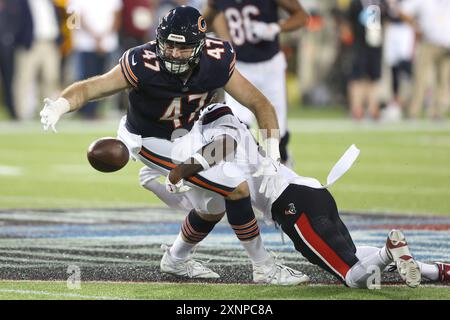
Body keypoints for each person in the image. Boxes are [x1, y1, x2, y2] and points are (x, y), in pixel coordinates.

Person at [40, 6, 307, 285]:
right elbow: (91, 87)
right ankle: (263, 266)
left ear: (200, 46)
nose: (174, 54)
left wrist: (274, 152)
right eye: (168, 46)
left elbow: (258, 102)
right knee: (235, 186)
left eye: (183, 48)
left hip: (191, 137)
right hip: (149, 140)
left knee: (212, 205)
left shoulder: (216, 59)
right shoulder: (141, 62)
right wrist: (61, 105)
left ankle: (176, 259)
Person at [156, 102, 450, 288]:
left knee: (352, 276)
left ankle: (388, 251)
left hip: (292, 205)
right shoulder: (209, 130)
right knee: (350, 254)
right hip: (311, 192)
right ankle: (433, 270)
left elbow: (223, 145)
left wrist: (178, 173)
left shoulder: (215, 121)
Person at [202, 0, 310, 165]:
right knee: (236, 125)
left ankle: (282, 165)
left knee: (276, 130)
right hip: (240, 66)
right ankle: (247, 171)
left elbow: (302, 16)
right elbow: (205, 21)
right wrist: (221, 37)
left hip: (270, 65)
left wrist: (276, 27)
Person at [68, 0, 122, 119]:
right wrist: (96, 37)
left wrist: (103, 37)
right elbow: (75, 18)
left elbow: (117, 17)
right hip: (85, 44)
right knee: (85, 78)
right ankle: (84, 110)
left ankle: (95, 110)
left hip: (107, 44)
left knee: (103, 79)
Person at [400, 0, 450, 120]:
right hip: (428, 42)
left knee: (442, 80)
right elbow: (403, 10)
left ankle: (437, 112)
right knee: (420, 78)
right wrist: (416, 26)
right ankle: (413, 112)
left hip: (447, 44)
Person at [346, 0, 387, 121]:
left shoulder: (380, 3)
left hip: (375, 44)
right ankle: (356, 108)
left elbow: (387, 17)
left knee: (374, 77)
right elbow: (348, 21)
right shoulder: (356, 3)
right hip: (360, 44)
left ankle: (373, 108)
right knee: (357, 77)